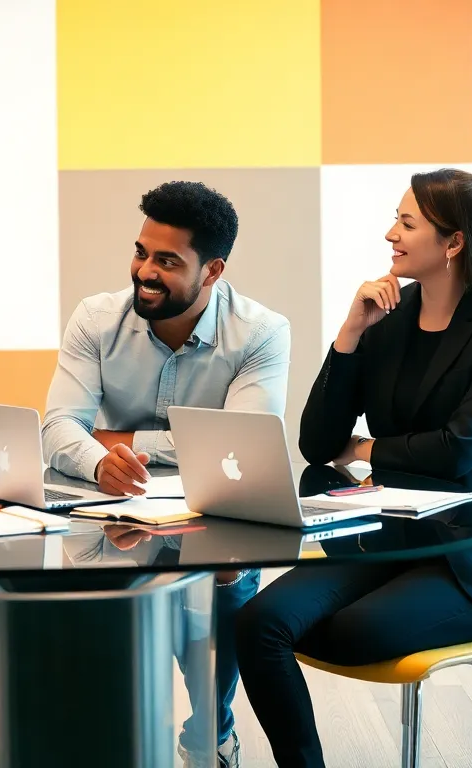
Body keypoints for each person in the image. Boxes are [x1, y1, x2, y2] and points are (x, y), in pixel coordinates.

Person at [234, 157, 472, 768]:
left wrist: (364, 450)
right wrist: (349, 333)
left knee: (358, 631)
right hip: (390, 534)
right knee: (259, 623)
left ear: (454, 242)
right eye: (395, 221)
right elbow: (315, 441)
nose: (391, 235)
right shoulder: (389, 317)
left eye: (407, 224)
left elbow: (460, 447)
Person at [41, 181, 291, 768]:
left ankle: (211, 734)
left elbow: (242, 451)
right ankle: (119, 732)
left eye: (168, 261)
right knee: (101, 629)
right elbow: (56, 429)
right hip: (113, 517)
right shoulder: (95, 319)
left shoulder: (259, 332)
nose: (145, 272)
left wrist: (122, 442)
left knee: (225, 580)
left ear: (213, 271)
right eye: (141, 252)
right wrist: (99, 459)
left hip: (211, 520)